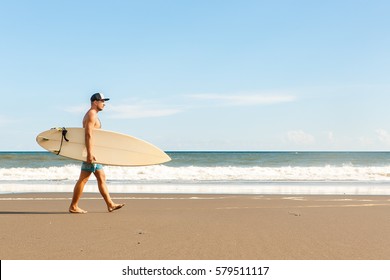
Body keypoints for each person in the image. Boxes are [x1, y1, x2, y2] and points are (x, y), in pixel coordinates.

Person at [69, 93, 125, 214]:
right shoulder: (91, 114)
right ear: (95, 102)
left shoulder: (93, 115)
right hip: (91, 153)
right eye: (102, 101)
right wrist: (89, 153)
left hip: (94, 152)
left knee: (101, 177)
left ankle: (110, 204)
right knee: (83, 179)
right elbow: (88, 134)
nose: (104, 103)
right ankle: (73, 206)